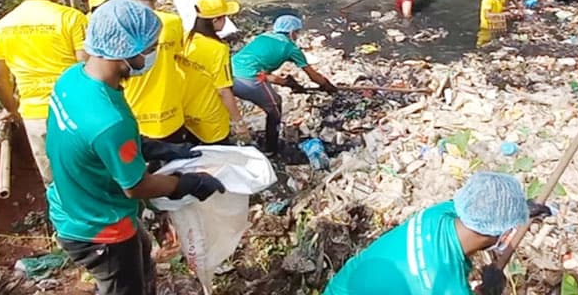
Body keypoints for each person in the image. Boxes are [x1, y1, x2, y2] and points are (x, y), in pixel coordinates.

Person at [47, 0, 226, 295]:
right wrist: (186, 184)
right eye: (150, 48)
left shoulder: (72, 79)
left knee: (141, 262)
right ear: (125, 51)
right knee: (122, 286)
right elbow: (136, 187)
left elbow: (93, 145)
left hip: (72, 201)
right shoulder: (110, 120)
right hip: (99, 228)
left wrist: (157, 148)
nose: (153, 53)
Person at [324, 172, 543, 295]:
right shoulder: (446, 285)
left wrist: (519, 207)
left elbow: (484, 204)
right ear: (503, 234)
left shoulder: (435, 215)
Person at [0, 0, 88, 184]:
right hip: (74, 111)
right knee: (86, 177)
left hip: (34, 115)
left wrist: (14, 110)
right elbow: (87, 69)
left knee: (54, 182)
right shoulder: (72, 19)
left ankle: (62, 218)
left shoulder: (2, 26)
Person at [231, 15, 338, 154]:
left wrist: (287, 83)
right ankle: (271, 148)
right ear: (292, 32)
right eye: (297, 32)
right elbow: (312, 75)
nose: (297, 35)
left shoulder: (263, 37)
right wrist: (327, 86)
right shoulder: (290, 47)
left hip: (228, 73)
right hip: (248, 79)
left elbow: (262, 73)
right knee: (275, 106)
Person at [121, 0, 192, 143]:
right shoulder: (172, 22)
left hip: (133, 116)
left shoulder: (120, 24)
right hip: (171, 114)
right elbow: (177, 53)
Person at [181, 0, 250, 145]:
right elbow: (223, 90)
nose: (226, 20)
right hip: (211, 120)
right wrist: (238, 122)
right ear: (214, 20)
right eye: (224, 17)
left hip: (186, 114)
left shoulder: (186, 38)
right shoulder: (218, 49)